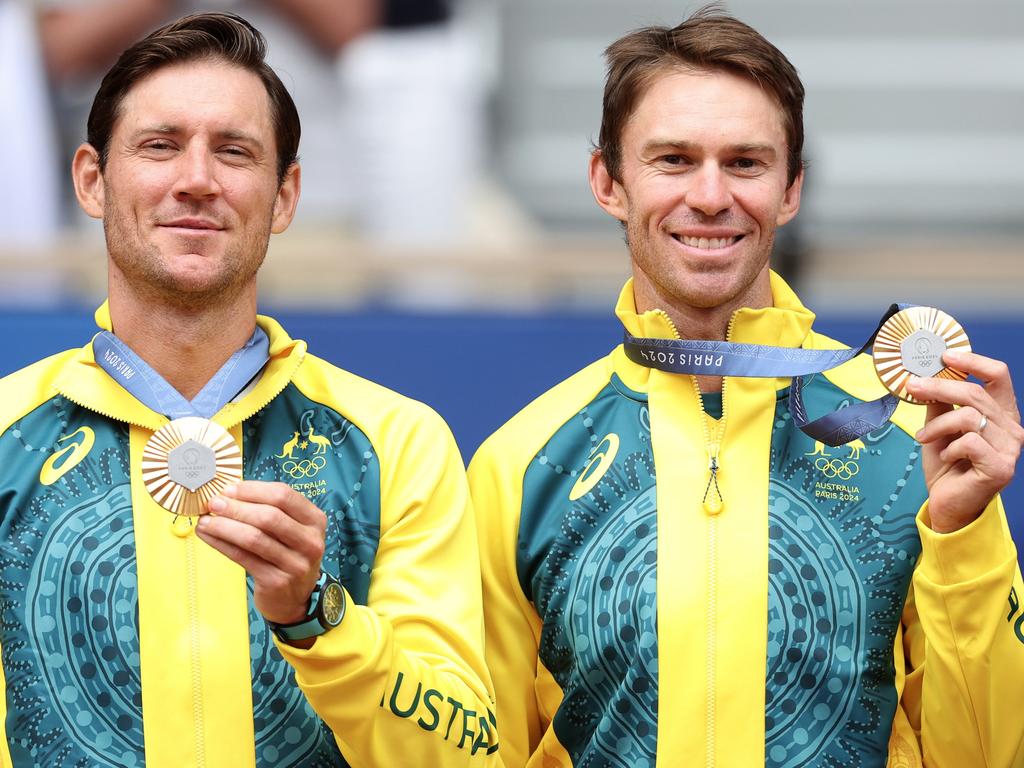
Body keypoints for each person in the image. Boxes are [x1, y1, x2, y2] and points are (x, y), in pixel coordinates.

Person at [468, 9, 1024, 768]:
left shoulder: (909, 434)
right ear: (607, 181)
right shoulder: (520, 464)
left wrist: (964, 538)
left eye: (745, 163)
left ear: (791, 188)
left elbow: (991, 753)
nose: (709, 195)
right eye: (672, 159)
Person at [0, 12, 498, 767]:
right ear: (92, 181)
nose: (197, 181)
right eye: (160, 146)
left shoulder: (397, 443)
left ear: (285, 195)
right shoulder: (6, 431)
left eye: (234, 152)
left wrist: (320, 620)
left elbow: (468, 753)